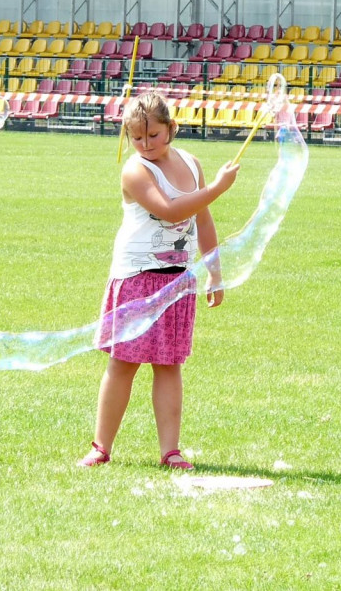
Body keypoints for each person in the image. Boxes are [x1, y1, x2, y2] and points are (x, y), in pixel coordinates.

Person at [78, 92, 240, 469]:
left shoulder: (191, 162)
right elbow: (168, 212)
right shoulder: (135, 171)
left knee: (169, 365)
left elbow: (202, 219)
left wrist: (214, 272)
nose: (145, 144)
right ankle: (101, 447)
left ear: (172, 129)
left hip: (177, 279)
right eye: (136, 137)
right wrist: (217, 188)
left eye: (153, 135)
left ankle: (171, 451)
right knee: (123, 362)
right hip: (136, 276)